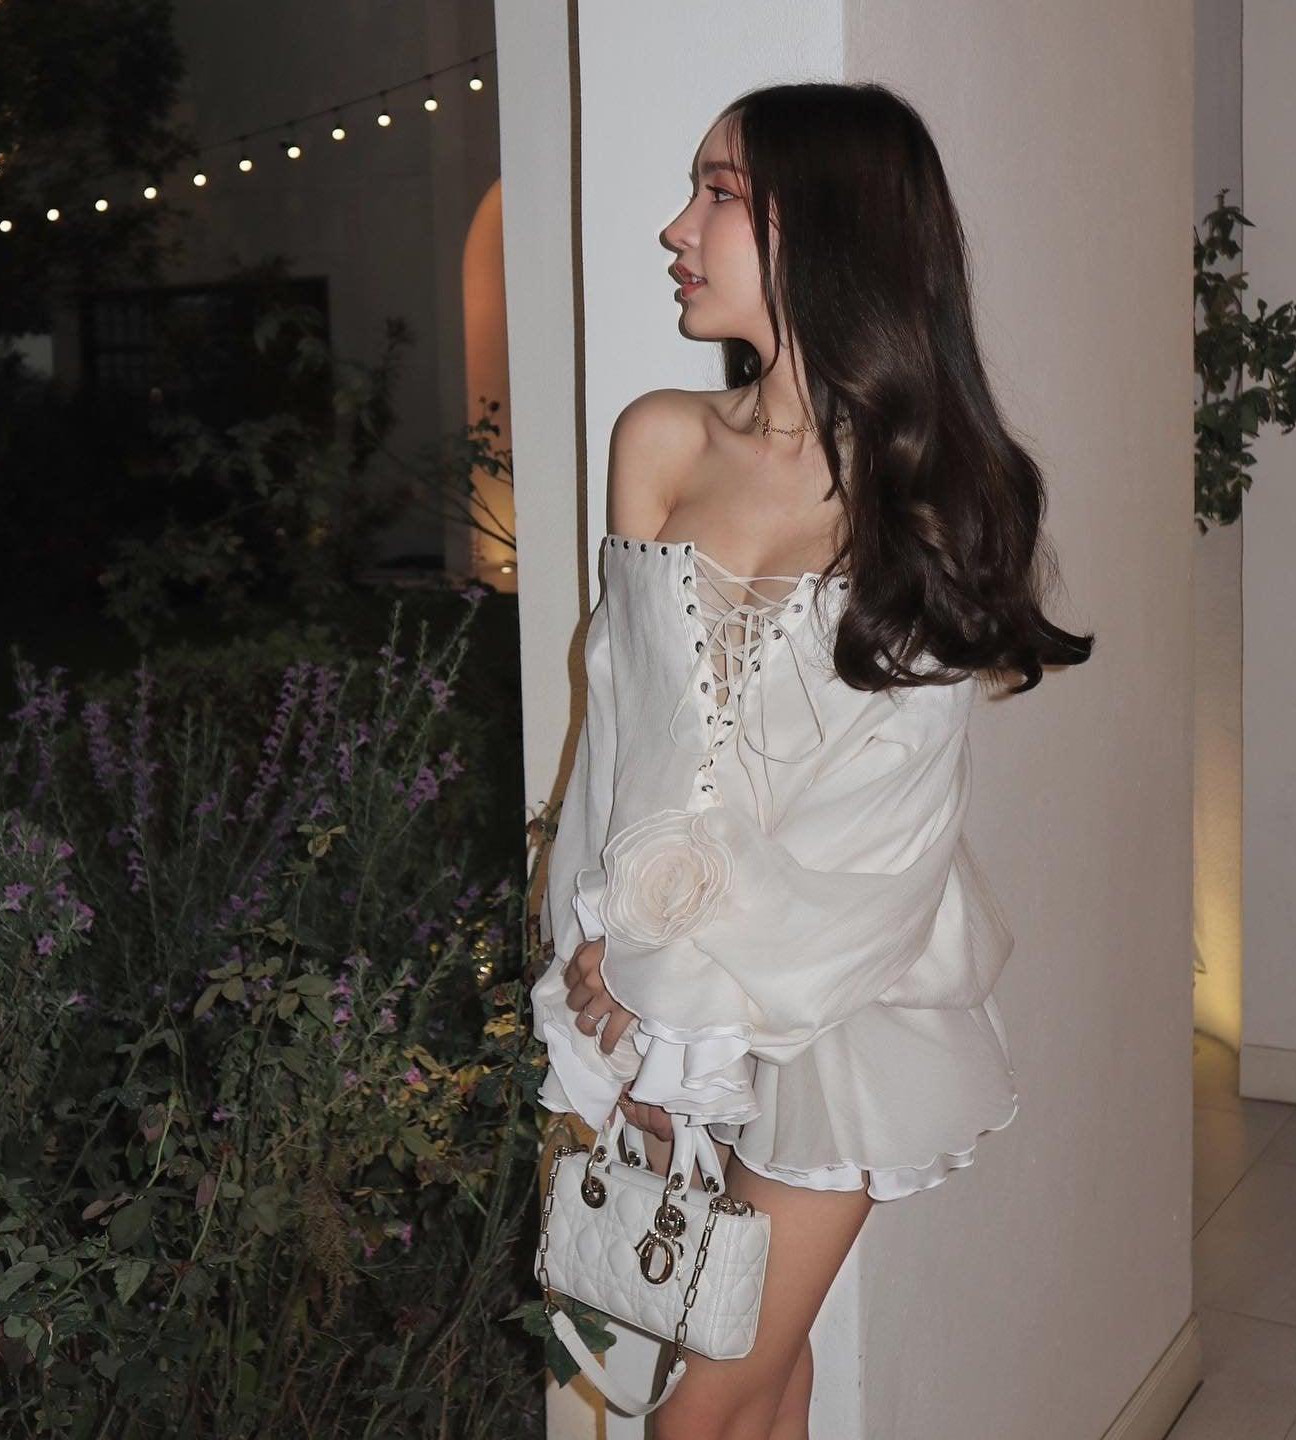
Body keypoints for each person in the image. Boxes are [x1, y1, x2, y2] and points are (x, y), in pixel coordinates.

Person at [530, 80, 1094, 1440]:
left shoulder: (943, 500)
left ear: (830, 231)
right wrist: (605, 959)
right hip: (656, 999)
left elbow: (886, 832)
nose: (678, 227)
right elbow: (626, 740)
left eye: (720, 194)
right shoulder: (659, 441)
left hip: (844, 1011)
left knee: (699, 1415)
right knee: (768, 1384)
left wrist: (662, 977)